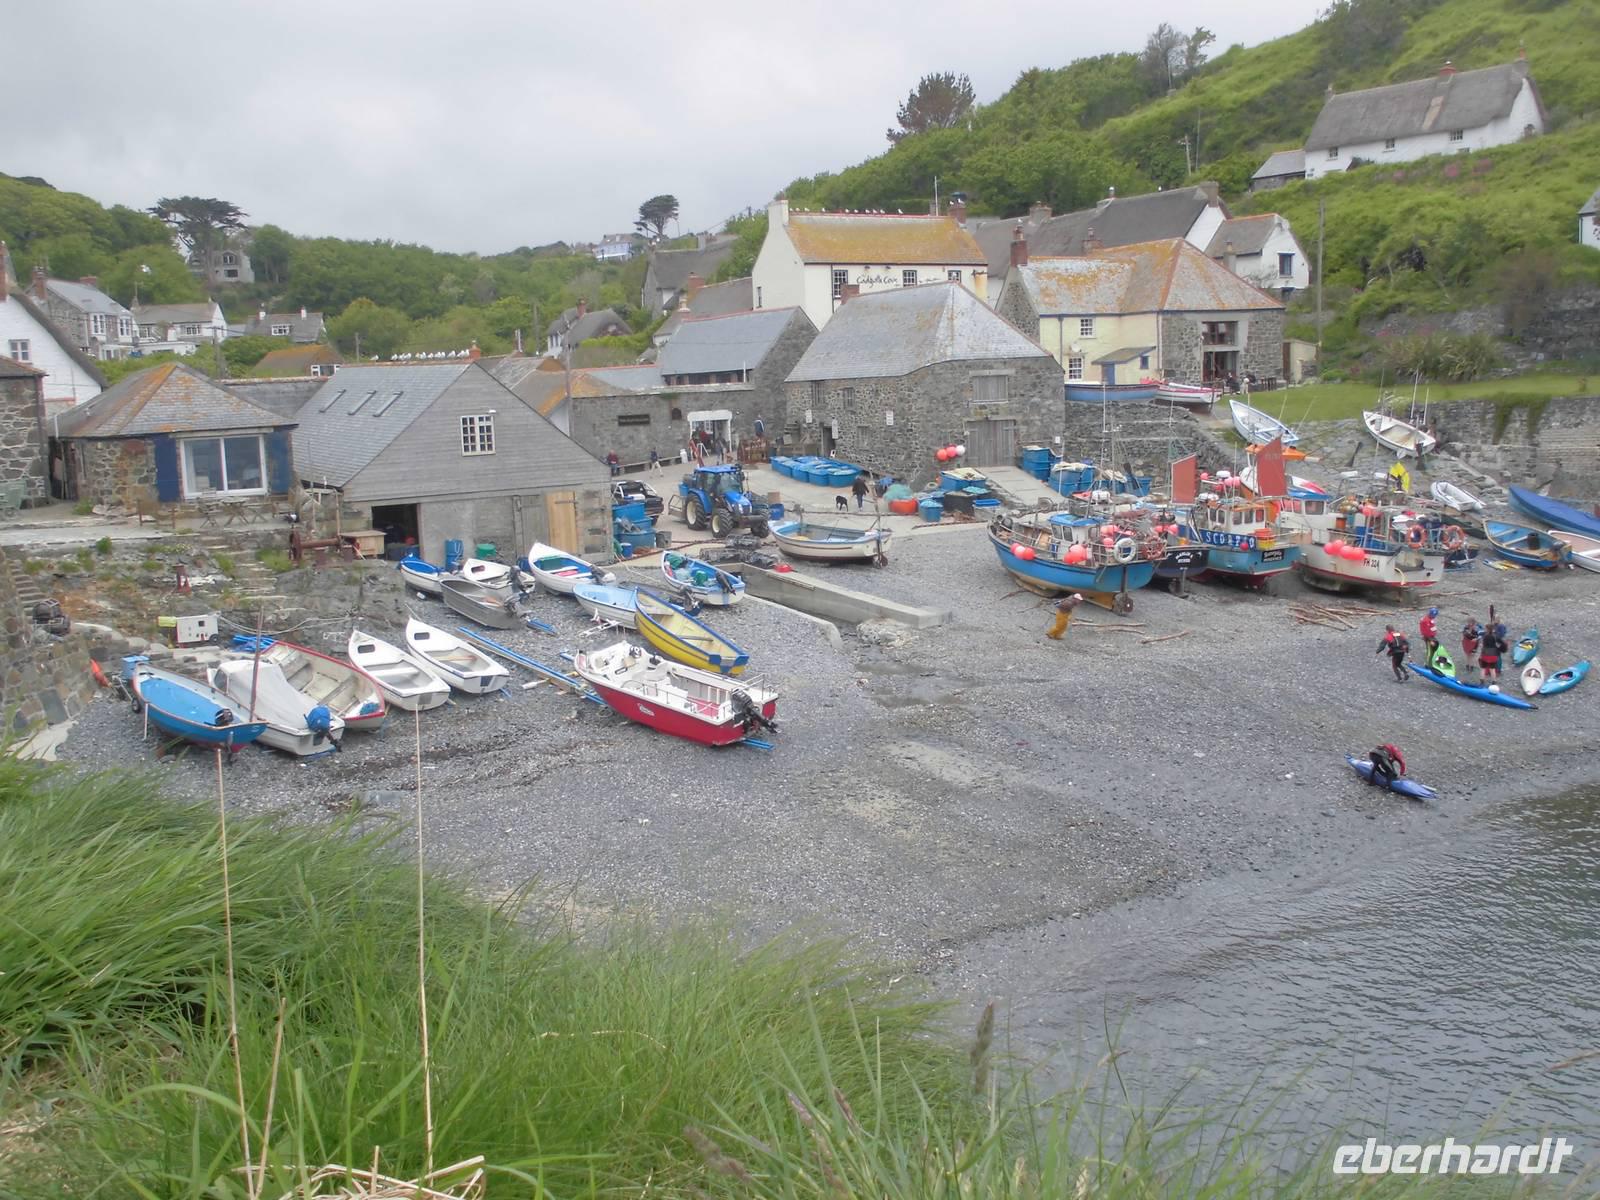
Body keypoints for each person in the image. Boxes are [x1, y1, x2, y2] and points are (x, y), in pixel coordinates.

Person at [1479, 624, 1505, 688]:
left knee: (1483, 668)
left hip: (1485, 654)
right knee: (1492, 669)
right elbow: (1502, 643)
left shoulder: (1485, 636)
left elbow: (1483, 645)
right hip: (1493, 654)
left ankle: (1482, 683)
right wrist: (1499, 648)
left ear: (1487, 629)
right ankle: (1494, 682)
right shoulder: (1496, 636)